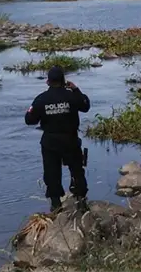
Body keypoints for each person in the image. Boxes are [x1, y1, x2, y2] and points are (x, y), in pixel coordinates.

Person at [24, 66, 90, 213]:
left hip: (50, 142)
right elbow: (85, 106)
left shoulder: (41, 99)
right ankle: (80, 201)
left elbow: (29, 120)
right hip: (70, 140)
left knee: (51, 173)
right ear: (64, 81)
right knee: (77, 170)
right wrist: (76, 89)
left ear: (47, 81)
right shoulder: (71, 96)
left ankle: (55, 205)